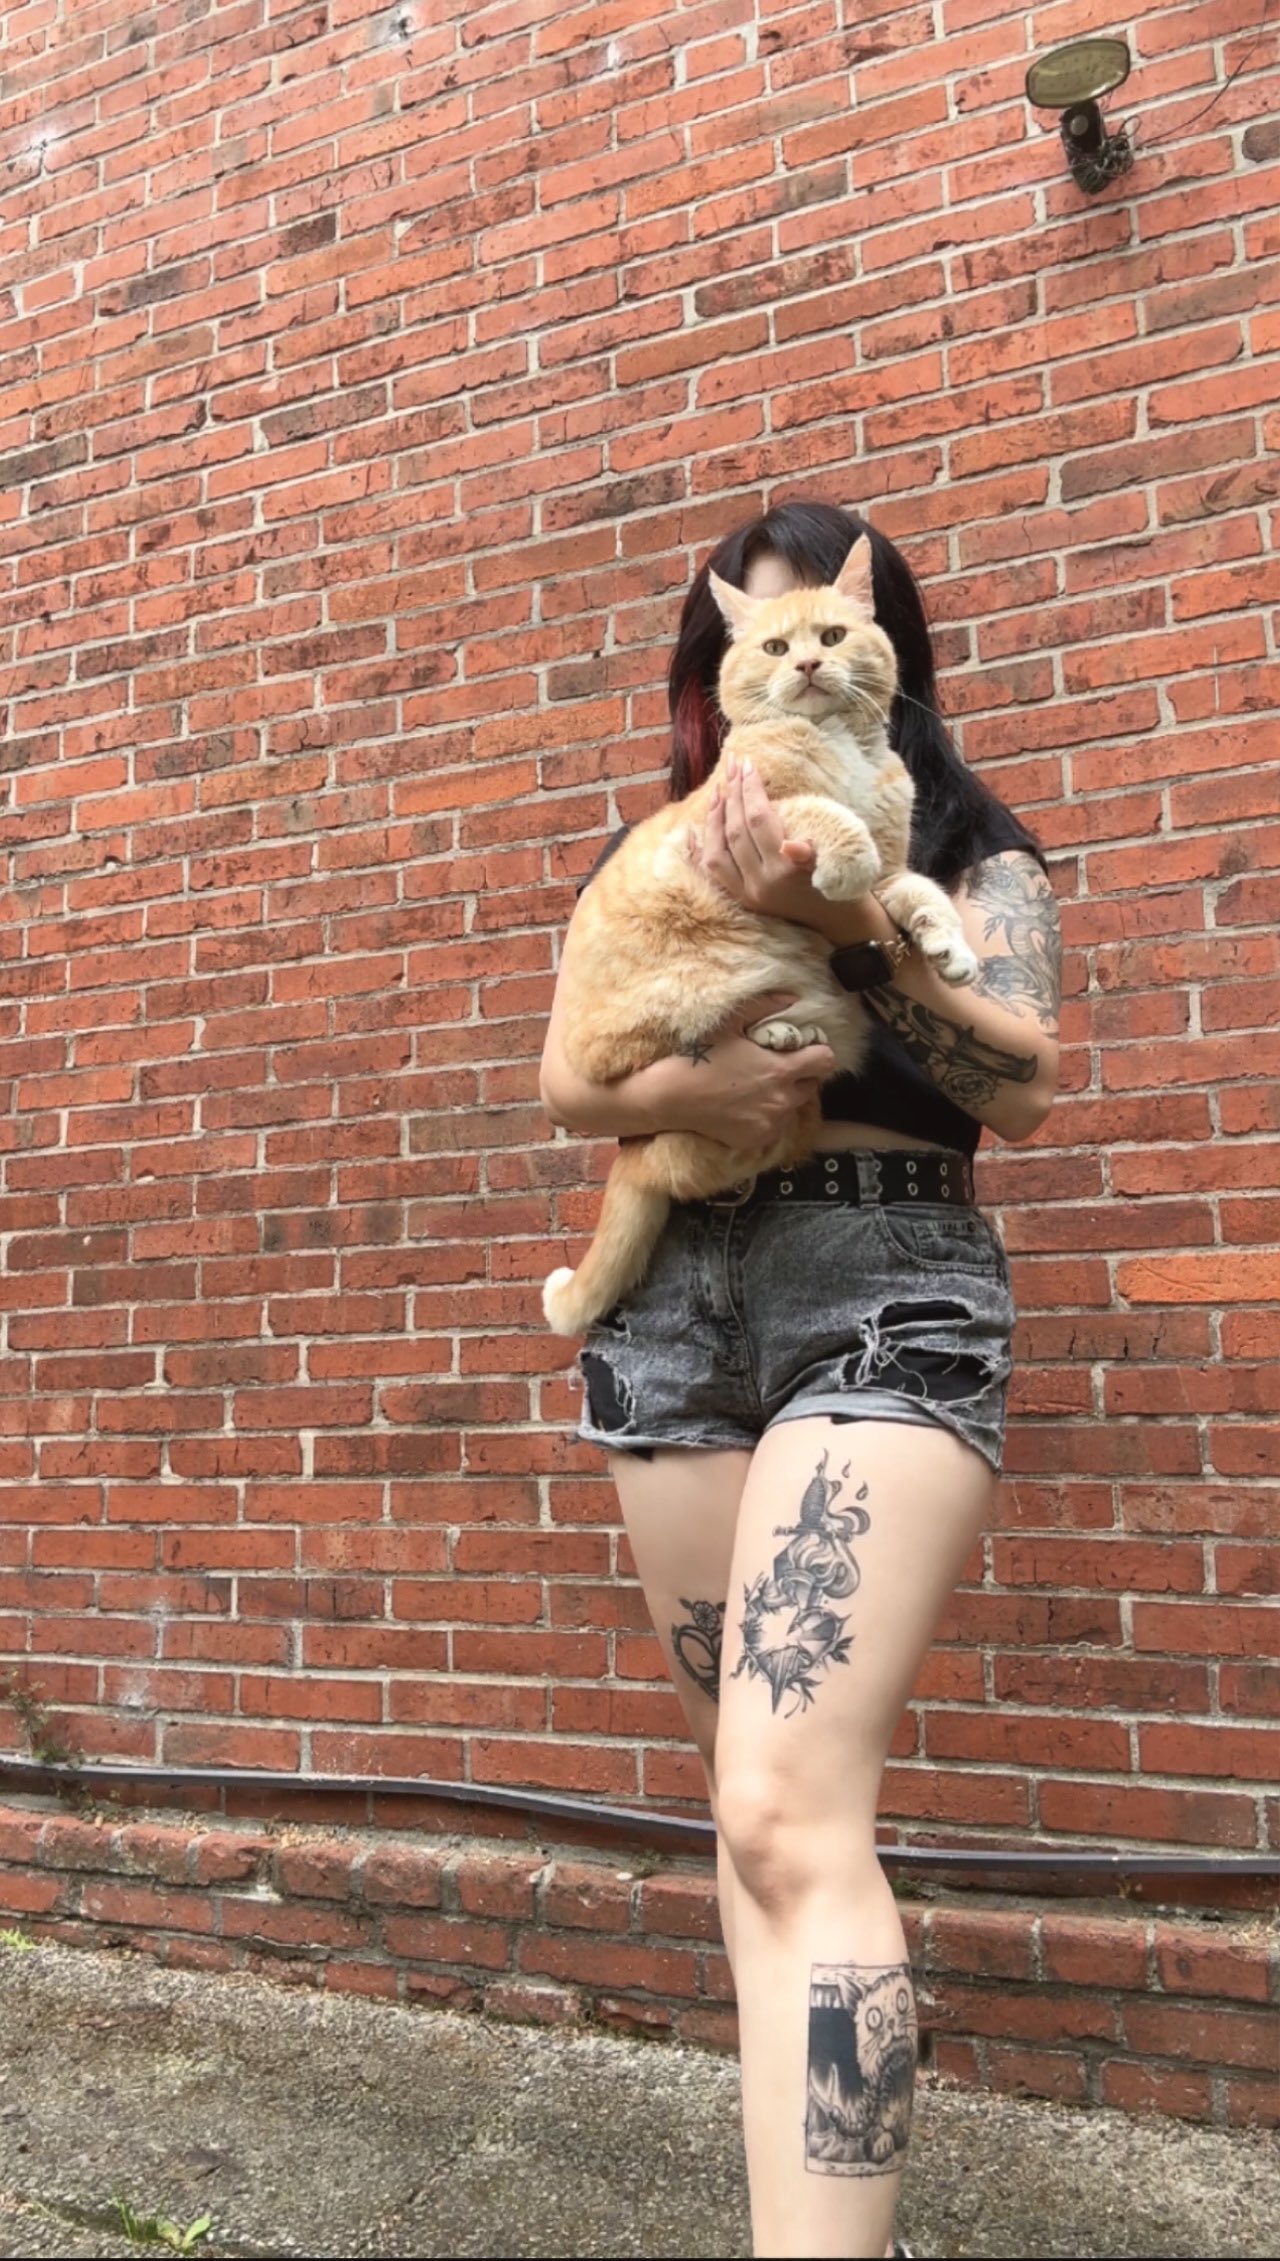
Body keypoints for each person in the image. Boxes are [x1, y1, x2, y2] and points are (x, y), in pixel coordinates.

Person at [538, 502, 1061, 2261]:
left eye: (839, 627)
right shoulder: (665, 847)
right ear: (716, 673)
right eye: (755, 639)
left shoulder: (972, 848)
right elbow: (569, 1084)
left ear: (894, 649)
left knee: (784, 1804)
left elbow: (1025, 1089)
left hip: (882, 1284)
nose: (804, 661)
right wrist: (684, 1094)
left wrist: (846, 932)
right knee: (749, 1820)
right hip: (675, 1301)